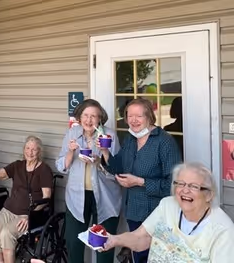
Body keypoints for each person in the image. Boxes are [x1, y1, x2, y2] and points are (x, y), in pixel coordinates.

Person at [98, 98, 182, 263]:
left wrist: (140, 182)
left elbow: (174, 185)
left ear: (149, 117)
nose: (134, 120)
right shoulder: (130, 139)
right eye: (130, 116)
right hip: (134, 211)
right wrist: (105, 152)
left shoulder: (165, 142)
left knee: (157, 257)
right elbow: (118, 166)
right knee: (139, 255)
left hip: (158, 213)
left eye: (139, 116)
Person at [102, 162, 234, 262]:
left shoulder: (223, 230)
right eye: (180, 184)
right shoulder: (167, 205)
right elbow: (142, 237)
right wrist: (113, 240)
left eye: (194, 186)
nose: (185, 190)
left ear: (209, 195)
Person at [56, 99, 122, 263]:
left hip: (106, 197)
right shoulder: (72, 133)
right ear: (79, 116)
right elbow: (60, 166)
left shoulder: (109, 135)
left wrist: (100, 160)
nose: (88, 120)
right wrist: (71, 152)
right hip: (77, 196)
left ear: (100, 118)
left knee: (104, 245)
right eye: (85, 115)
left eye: (93, 116)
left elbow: (118, 172)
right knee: (73, 242)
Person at [0, 136, 53, 263]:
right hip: (8, 210)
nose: (30, 152)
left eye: (34, 150)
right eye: (28, 148)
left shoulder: (44, 170)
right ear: (24, 149)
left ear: (39, 152)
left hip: (28, 214)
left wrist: (30, 215)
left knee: (6, 234)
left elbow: (46, 198)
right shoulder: (17, 165)